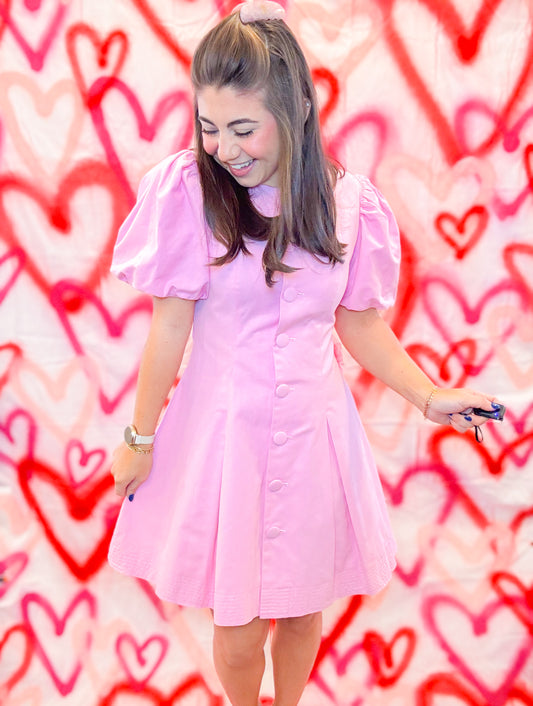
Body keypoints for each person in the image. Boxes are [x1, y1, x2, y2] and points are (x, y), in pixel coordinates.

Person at [108, 3, 499, 705]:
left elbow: (359, 324)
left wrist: (429, 395)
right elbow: (169, 327)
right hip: (224, 436)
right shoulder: (189, 192)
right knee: (237, 625)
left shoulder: (348, 203)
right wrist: (138, 439)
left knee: (300, 607)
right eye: (208, 127)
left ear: (297, 112)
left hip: (315, 436)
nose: (223, 148)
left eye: (243, 128)